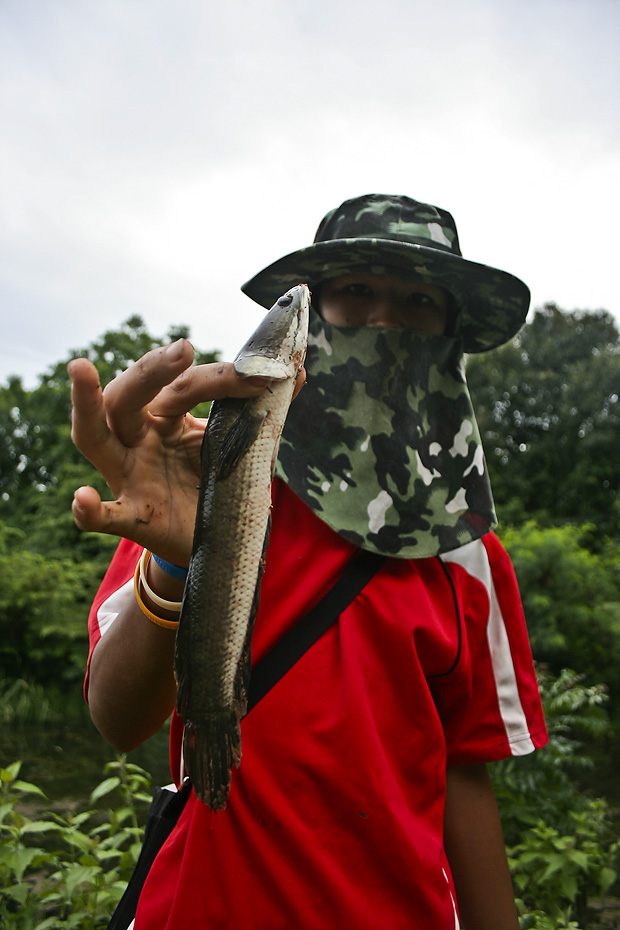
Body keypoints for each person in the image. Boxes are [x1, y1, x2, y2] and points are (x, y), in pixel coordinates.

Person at [70, 193, 548, 930]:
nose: (384, 317)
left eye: (419, 299)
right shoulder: (202, 476)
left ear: (449, 331)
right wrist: (179, 559)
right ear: (312, 315)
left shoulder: (467, 553)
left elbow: (464, 773)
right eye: (356, 289)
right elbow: (117, 719)